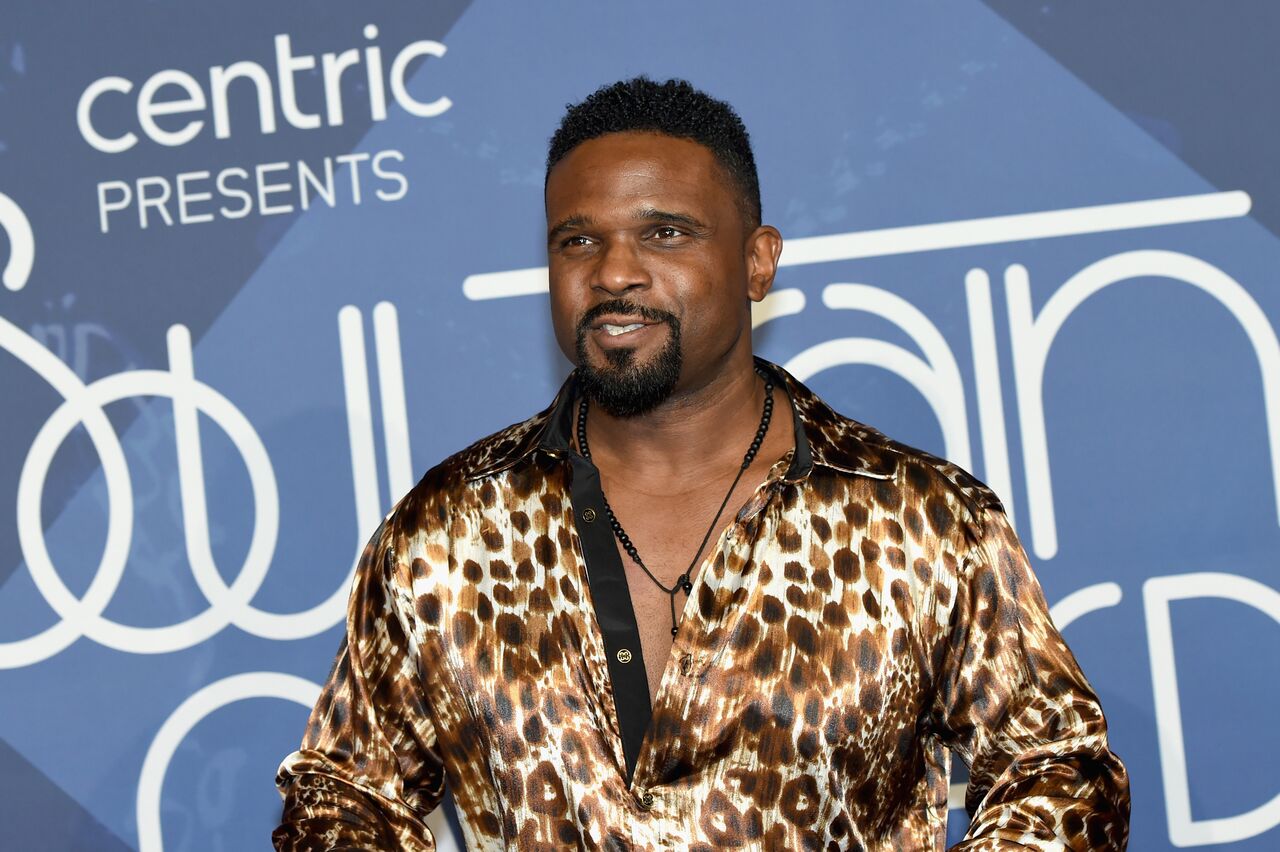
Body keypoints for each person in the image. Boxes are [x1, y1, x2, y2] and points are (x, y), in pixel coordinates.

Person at [273, 77, 1130, 851]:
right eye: (577, 242)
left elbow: (1056, 770)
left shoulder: (916, 519)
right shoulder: (448, 534)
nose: (614, 272)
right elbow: (343, 797)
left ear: (758, 261)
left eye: (665, 233)